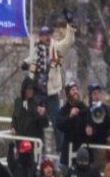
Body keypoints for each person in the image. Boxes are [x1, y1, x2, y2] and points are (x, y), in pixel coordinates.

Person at [27, 17, 76, 154]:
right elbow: (30, 62)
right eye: (44, 35)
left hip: (51, 92)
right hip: (38, 92)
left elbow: (68, 42)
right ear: (40, 37)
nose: (47, 37)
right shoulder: (36, 51)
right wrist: (26, 65)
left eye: (48, 34)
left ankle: (60, 150)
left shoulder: (55, 48)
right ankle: (36, 149)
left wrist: (70, 27)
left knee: (57, 121)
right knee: (34, 120)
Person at [56, 82, 90, 168]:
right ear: (68, 94)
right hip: (68, 151)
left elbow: (89, 120)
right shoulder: (64, 110)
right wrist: (70, 116)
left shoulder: (84, 108)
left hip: (82, 149)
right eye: (73, 90)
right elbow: (60, 125)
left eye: (76, 89)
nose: (75, 92)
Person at [86, 83, 110, 171]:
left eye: (99, 93)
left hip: (106, 145)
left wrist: (106, 114)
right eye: (94, 93)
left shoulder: (106, 108)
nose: (97, 96)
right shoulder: (87, 110)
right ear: (91, 96)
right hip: (94, 146)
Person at [10, 77, 48, 145]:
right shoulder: (18, 102)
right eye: (29, 89)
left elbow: (44, 124)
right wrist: (13, 127)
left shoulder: (38, 103)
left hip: (33, 142)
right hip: (20, 141)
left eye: (32, 89)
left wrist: (43, 115)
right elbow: (15, 117)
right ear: (24, 90)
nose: (31, 91)